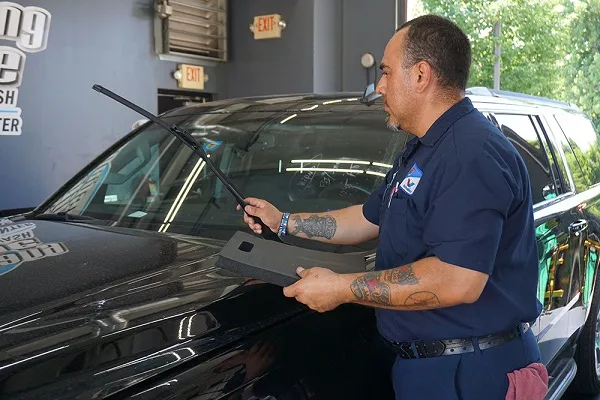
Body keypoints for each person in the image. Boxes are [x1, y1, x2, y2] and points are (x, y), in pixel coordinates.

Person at [237, 14, 543, 400]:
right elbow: (366, 218)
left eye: (385, 72)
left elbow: (457, 279)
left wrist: (342, 288)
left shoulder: (469, 154)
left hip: (468, 372)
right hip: (433, 365)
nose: (379, 86)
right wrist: (282, 221)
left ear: (420, 75)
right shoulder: (422, 150)